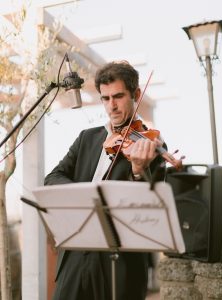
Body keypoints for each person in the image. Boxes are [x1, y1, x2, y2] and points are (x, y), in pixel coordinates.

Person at [44, 61, 166, 300]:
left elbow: (148, 208)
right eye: (105, 98)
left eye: (118, 96)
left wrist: (139, 171)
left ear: (136, 95)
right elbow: (52, 178)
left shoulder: (151, 146)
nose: (112, 106)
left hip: (120, 264)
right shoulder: (87, 138)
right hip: (76, 257)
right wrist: (86, 196)